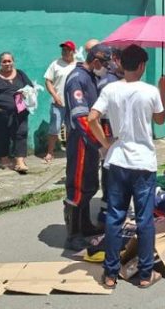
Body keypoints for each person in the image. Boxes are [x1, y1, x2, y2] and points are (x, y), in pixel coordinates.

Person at [89, 45, 165, 290]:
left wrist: (105, 142)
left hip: (118, 160)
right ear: (142, 66)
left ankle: (110, 274)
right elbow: (160, 119)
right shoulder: (150, 91)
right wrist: (163, 90)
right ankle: (146, 274)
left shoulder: (110, 89)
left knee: (115, 217)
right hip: (143, 162)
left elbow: (92, 118)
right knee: (145, 219)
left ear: (122, 64)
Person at [62, 43, 112, 250]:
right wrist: (99, 142)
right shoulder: (78, 79)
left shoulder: (91, 77)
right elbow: (81, 117)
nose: (107, 68)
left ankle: (84, 225)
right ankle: (73, 234)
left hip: (91, 141)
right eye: (105, 64)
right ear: (96, 61)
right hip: (81, 140)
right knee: (78, 185)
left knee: (89, 183)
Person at [0, 52, 33, 174]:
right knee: (0, 137)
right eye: (4, 61)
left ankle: (20, 161)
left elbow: (30, 87)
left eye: (9, 61)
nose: (7, 63)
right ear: (0, 63)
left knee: (20, 134)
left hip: (20, 113)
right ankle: (4, 159)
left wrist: (26, 93)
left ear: (13, 62)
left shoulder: (20, 74)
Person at [95, 47, 124, 226]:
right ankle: (107, 208)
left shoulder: (123, 78)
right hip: (108, 128)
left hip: (120, 131)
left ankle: (115, 206)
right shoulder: (108, 82)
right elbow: (97, 115)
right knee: (109, 166)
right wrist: (105, 141)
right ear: (115, 59)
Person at [43, 40, 76, 163]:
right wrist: (55, 96)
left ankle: (70, 151)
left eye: (68, 50)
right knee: (54, 128)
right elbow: (48, 81)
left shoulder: (78, 65)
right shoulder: (55, 64)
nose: (65, 52)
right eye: (63, 50)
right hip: (58, 103)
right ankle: (50, 153)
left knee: (70, 129)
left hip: (73, 103)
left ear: (73, 52)